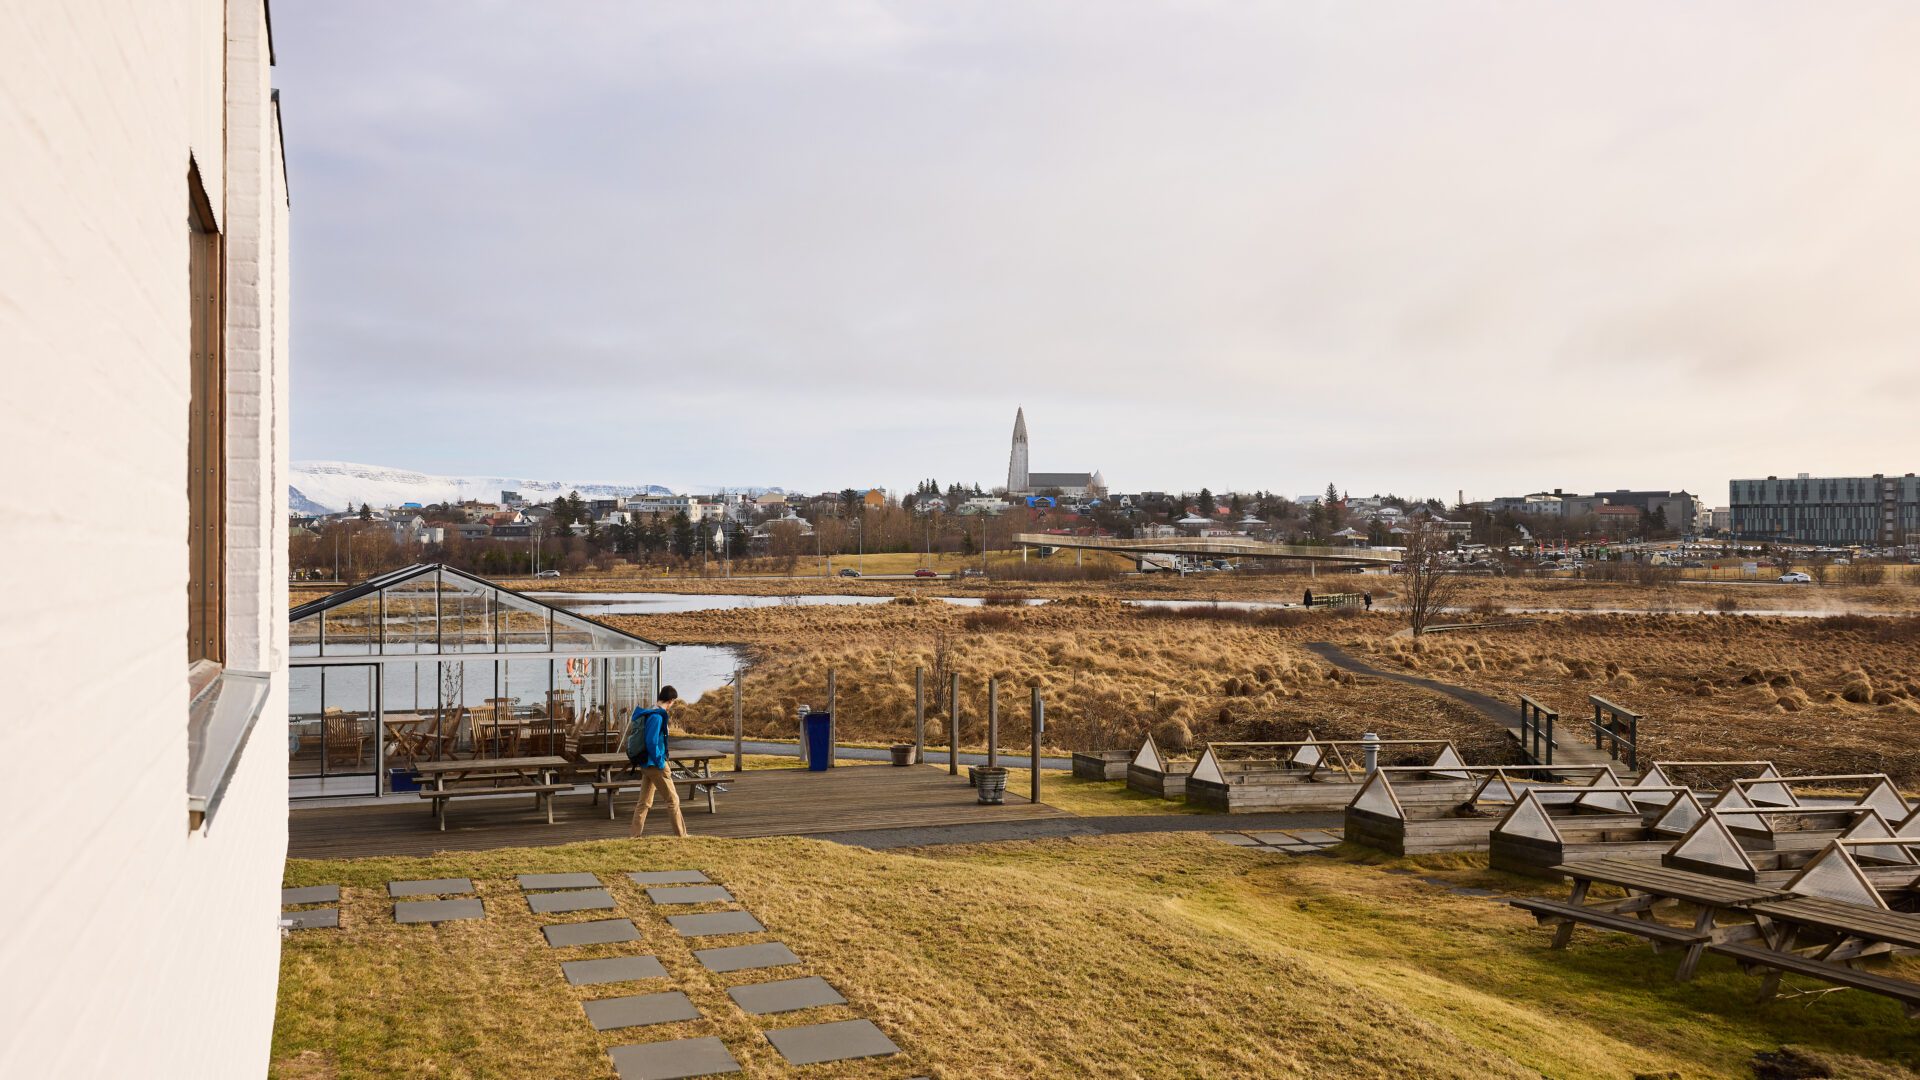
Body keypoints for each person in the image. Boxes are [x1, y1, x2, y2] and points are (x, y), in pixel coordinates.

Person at [625, 685, 687, 838]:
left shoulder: (650, 711)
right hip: (654, 764)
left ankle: (634, 836)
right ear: (671, 700)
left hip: (646, 763)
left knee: (644, 802)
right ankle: (682, 835)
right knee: (673, 800)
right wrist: (661, 762)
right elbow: (651, 741)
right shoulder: (657, 716)